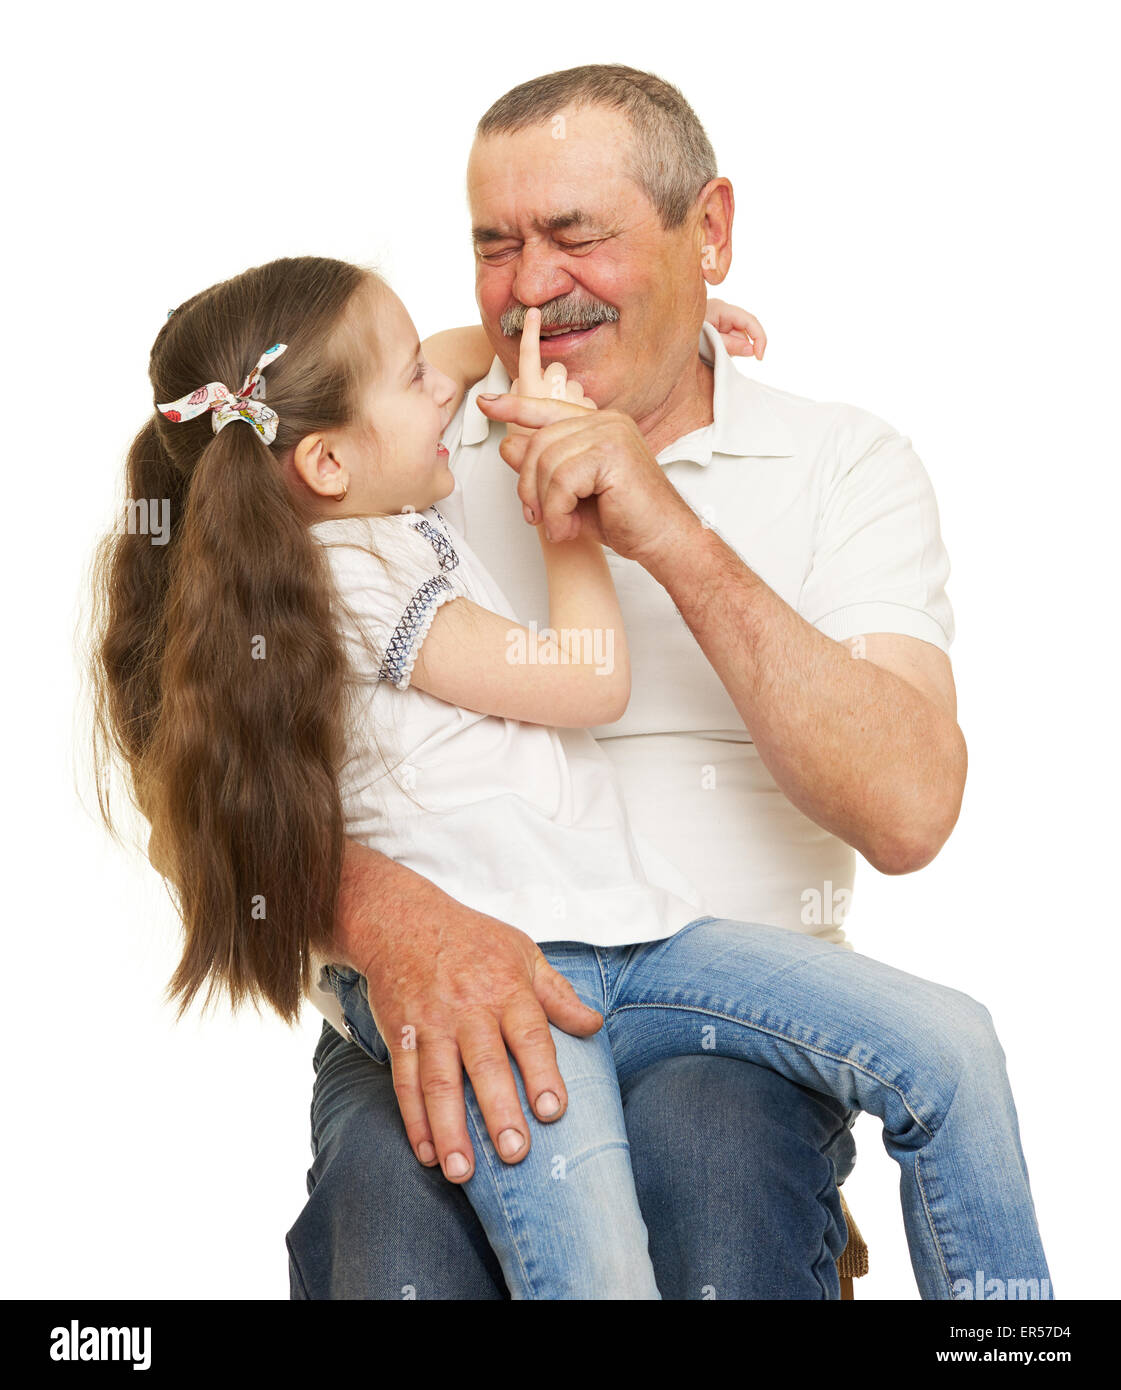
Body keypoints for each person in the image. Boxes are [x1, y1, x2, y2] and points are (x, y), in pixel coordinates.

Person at [92, 254, 1052, 1299]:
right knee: (584, 1271)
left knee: (948, 1047)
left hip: (628, 932)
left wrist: (639, 329)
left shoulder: (379, 489)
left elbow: (460, 357)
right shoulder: (348, 571)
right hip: (514, 970)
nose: (449, 387)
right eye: (417, 377)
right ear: (325, 464)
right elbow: (587, 679)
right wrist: (567, 508)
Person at [287, 64, 984, 1301]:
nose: (532, 284)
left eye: (577, 236)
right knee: (394, 1201)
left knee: (712, 1155)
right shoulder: (402, 450)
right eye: (496, 245)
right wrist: (379, 914)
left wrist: (664, 530)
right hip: (435, 1003)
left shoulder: (841, 463)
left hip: (721, 1026)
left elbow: (910, 808)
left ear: (705, 232)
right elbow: (193, 733)